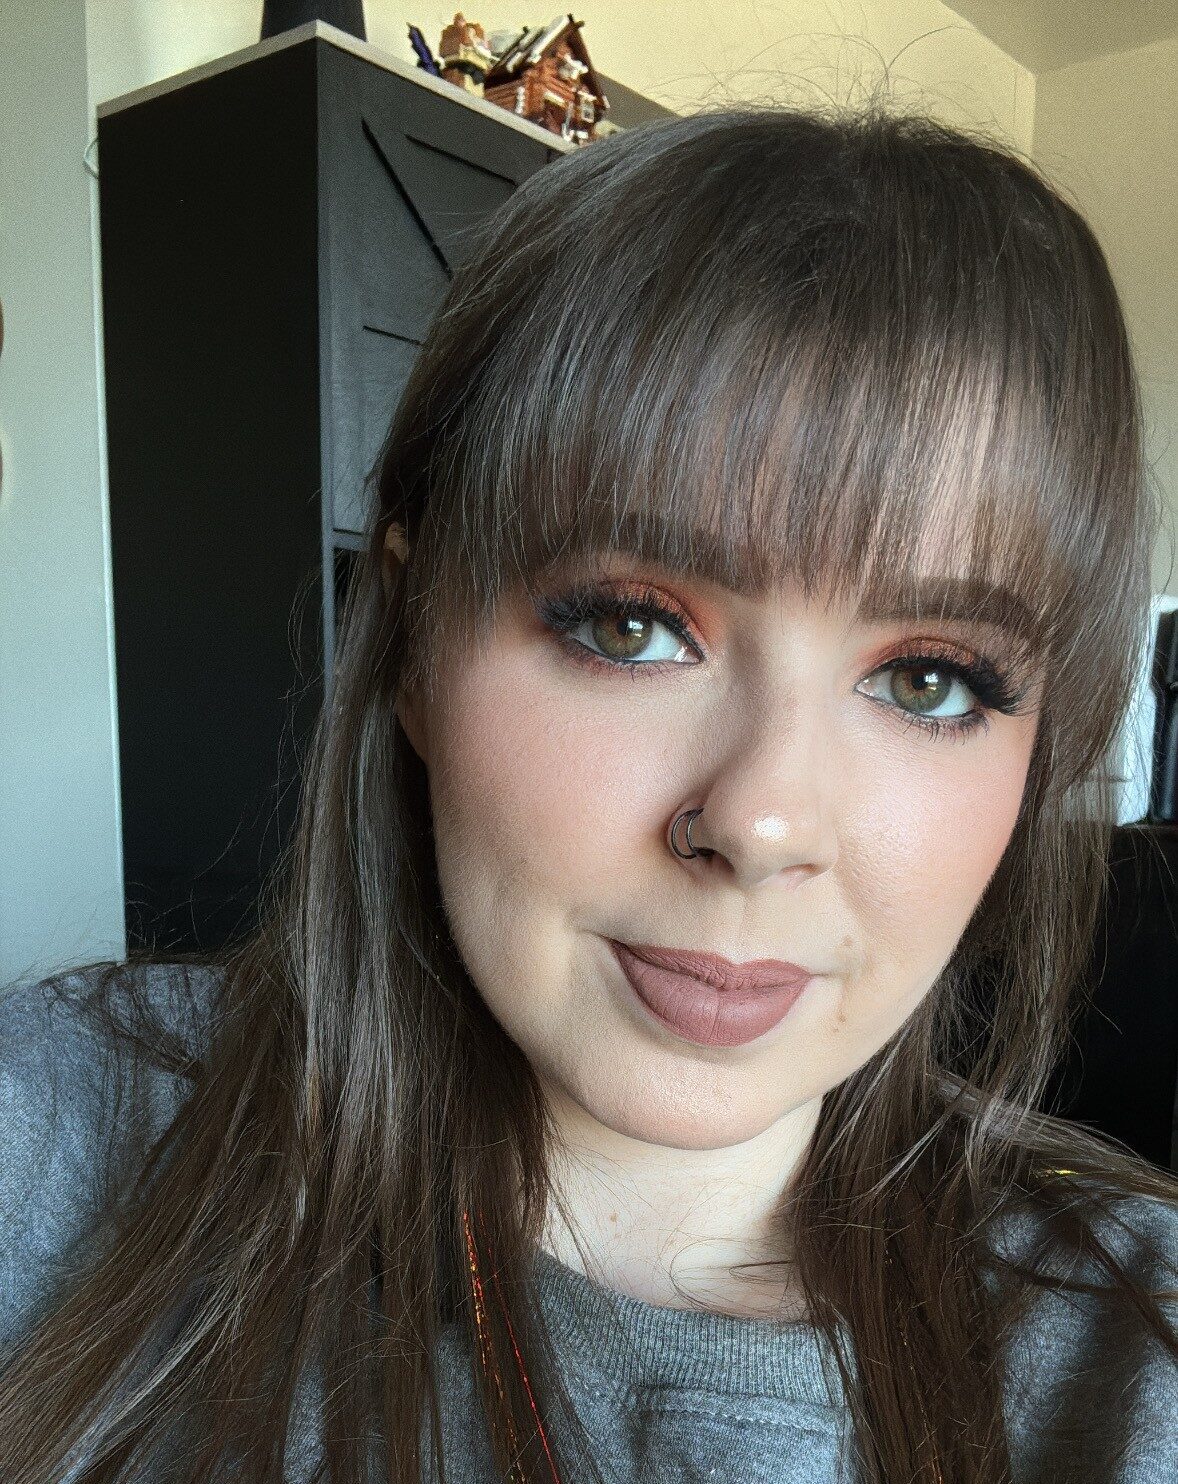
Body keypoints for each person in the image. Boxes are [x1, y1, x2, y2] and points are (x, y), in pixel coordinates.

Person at [1, 100, 1176, 1484]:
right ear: (412, 643)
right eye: (628, 624)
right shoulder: (60, 1142)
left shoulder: (1134, 1363)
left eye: (928, 679)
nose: (757, 822)